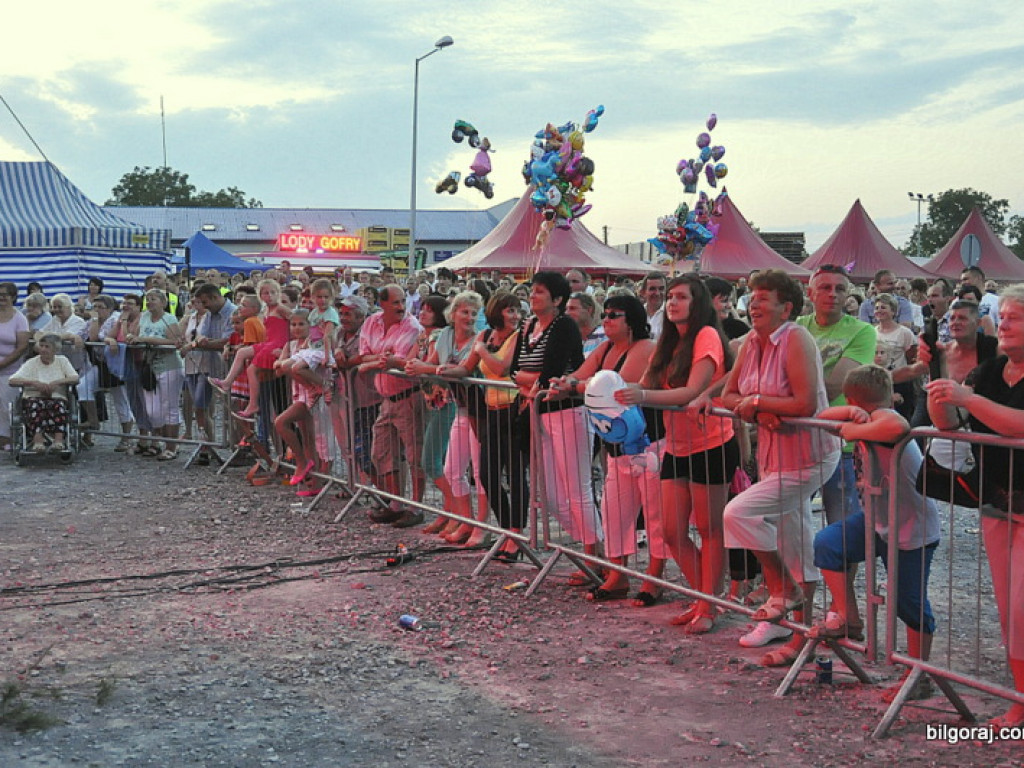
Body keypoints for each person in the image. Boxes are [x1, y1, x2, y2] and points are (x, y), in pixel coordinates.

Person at [721, 269, 842, 667]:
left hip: (809, 455)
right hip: (775, 457)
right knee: (795, 540)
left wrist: (759, 404)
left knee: (739, 513)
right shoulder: (751, 342)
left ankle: (783, 591)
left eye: (763, 298)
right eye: (752, 297)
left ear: (785, 307)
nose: (753, 304)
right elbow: (728, 395)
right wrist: (761, 409)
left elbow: (804, 403)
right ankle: (793, 630)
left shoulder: (796, 337)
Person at [927, 284, 1024, 728]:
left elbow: (1017, 425)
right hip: (997, 500)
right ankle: (1020, 699)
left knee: (1021, 608)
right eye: (1003, 316)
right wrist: (941, 394)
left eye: (1015, 317)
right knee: (1008, 609)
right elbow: (952, 424)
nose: (1004, 324)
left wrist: (967, 399)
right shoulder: (990, 370)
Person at [615, 276, 736, 632]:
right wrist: (595, 388)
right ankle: (706, 599)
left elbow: (691, 391)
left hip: (712, 443)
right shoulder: (668, 340)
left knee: (709, 530)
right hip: (678, 444)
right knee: (671, 531)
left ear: (697, 303)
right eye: (670, 296)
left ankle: (708, 605)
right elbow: (645, 384)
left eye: (681, 297)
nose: (672, 302)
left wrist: (641, 396)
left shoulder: (706, 335)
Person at [814, 365, 940, 701]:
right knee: (828, 544)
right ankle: (849, 617)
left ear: (852, 397)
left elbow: (899, 426)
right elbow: (823, 416)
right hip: (877, 520)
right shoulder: (868, 416)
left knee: (908, 602)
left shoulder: (886, 421)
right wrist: (852, 416)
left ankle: (918, 673)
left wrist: (854, 428)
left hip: (912, 530)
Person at [548, 294, 659, 601]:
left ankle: (654, 578)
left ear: (631, 320)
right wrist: (566, 383)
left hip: (647, 443)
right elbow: (581, 375)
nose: (606, 320)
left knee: (654, 514)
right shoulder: (606, 348)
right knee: (614, 511)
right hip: (616, 444)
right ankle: (617, 574)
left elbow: (615, 385)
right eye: (605, 314)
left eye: (614, 315)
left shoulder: (644, 347)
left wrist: (572, 386)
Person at [511, 271, 599, 579]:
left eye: (540, 291)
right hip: (539, 412)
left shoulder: (564, 326)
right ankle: (588, 549)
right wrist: (532, 384)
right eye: (532, 290)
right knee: (550, 494)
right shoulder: (528, 326)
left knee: (577, 489)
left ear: (557, 299)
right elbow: (513, 371)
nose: (532, 295)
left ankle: (595, 555)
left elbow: (551, 373)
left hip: (568, 412)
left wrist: (531, 383)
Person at [441, 291, 524, 561]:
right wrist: (443, 371)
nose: (515, 316)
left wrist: (481, 350)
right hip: (492, 411)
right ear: (497, 311)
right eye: (510, 310)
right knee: (487, 475)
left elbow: (501, 368)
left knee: (514, 475)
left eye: (517, 310)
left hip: (514, 411)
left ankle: (516, 535)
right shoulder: (486, 335)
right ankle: (506, 529)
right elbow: (467, 368)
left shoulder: (517, 336)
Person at [407, 292, 490, 546]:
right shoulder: (444, 335)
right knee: (452, 470)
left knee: (480, 472)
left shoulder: (479, 338)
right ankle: (465, 520)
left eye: (474, 313)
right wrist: (416, 367)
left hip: (478, 409)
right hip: (458, 406)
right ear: (453, 314)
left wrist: (425, 369)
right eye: (465, 312)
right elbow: (434, 364)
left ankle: (482, 526)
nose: (469, 317)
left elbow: (461, 369)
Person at [358, 285, 426, 528]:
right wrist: (380, 359)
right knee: (382, 451)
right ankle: (396, 503)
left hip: (409, 397)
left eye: (402, 301)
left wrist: (377, 360)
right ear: (382, 303)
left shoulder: (412, 326)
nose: (401, 307)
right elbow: (364, 355)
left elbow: (399, 360)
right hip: (386, 399)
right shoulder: (371, 322)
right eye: (395, 302)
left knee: (415, 454)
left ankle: (416, 506)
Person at [402, 296, 458, 535]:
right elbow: (410, 362)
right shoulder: (423, 336)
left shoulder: (438, 336)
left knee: (431, 460)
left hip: (445, 401)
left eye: (429, 310)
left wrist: (418, 366)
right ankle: (449, 512)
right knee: (440, 462)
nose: (423, 313)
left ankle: (456, 511)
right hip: (433, 401)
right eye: (422, 309)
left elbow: (429, 365)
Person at [128, 288, 185, 460]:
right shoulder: (144, 317)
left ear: (163, 302)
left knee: (170, 407)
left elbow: (174, 342)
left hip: (168, 366)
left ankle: (171, 446)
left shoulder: (170, 319)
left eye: (153, 299)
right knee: (152, 410)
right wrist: (132, 337)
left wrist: (146, 340)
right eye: (148, 299)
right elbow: (136, 335)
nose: (150, 302)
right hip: (149, 367)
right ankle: (157, 440)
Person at [274, 310, 325, 496]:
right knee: (307, 438)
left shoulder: (313, 343)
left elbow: (285, 365)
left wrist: (284, 363)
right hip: (299, 395)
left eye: (301, 324)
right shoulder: (290, 345)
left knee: (284, 423)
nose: (296, 328)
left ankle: (306, 466)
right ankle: (312, 480)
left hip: (314, 397)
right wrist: (282, 362)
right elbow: (278, 370)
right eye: (293, 324)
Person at [9, 333, 79, 452]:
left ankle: (58, 441)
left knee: (58, 406)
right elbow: (12, 380)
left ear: (55, 349)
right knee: (36, 406)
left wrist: (57, 382)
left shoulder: (62, 361)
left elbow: (75, 378)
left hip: (56, 396)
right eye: (41, 346)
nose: (43, 349)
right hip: (34, 396)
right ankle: (38, 442)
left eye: (47, 346)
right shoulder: (31, 363)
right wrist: (33, 383)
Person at [86, 295, 134, 451]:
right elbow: (90, 337)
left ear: (110, 308)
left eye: (100, 307)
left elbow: (98, 337)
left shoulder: (114, 319)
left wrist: (108, 339)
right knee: (82, 387)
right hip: (100, 364)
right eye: (94, 307)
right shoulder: (92, 321)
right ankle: (92, 423)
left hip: (116, 364)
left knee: (121, 400)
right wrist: (94, 320)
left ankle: (126, 437)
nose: (97, 310)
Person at [872, 292, 919, 421]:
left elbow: (912, 358)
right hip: (879, 382)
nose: (879, 311)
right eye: (876, 308)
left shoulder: (904, 333)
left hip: (900, 381)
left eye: (883, 307)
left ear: (893, 311)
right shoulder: (872, 332)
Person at [0, 282, 31, 451]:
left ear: (13, 297)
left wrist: (3, 363)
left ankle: (8, 438)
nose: (1, 298)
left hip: (10, 370)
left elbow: (22, 346)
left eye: (4, 295)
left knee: (7, 407)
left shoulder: (20, 318)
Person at [639, 272, 667, 340]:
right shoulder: (637, 313)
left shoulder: (671, 314)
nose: (657, 293)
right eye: (652, 289)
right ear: (643, 292)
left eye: (661, 289)